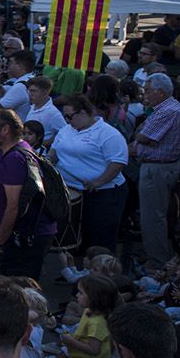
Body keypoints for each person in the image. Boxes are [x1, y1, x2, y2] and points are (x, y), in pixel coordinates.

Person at [0, 106, 55, 280]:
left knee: (19, 293)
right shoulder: (20, 150)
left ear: (5, 129)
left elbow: (13, 206)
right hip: (25, 237)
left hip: (23, 240)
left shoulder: (14, 159)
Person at [52, 93, 130, 255]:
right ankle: (78, 271)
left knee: (100, 236)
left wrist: (98, 182)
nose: (67, 120)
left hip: (103, 193)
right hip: (73, 192)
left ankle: (100, 273)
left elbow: (117, 162)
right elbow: (55, 150)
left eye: (69, 116)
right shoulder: (67, 130)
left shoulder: (108, 134)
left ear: (83, 113)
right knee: (78, 235)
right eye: (65, 116)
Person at [131, 72, 180, 269]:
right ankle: (157, 256)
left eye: (147, 90)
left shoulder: (168, 111)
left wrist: (139, 137)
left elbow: (143, 137)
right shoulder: (170, 107)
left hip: (158, 169)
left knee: (152, 218)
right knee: (156, 215)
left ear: (161, 92)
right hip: (161, 167)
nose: (144, 93)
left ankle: (158, 262)